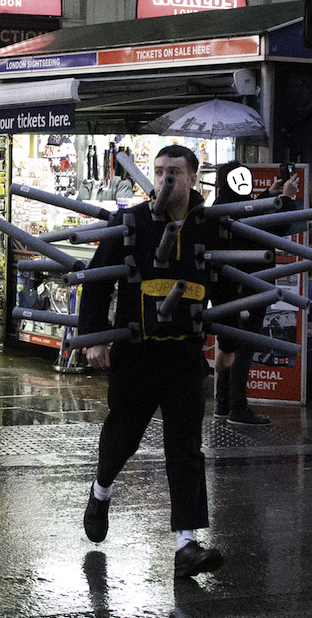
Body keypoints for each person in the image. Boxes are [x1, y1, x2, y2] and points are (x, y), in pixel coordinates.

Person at [79, 144, 226, 579]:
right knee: (122, 437)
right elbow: (96, 281)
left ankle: (186, 544)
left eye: (174, 172)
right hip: (136, 354)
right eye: (158, 171)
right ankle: (101, 490)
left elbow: (232, 282)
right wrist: (94, 338)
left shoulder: (210, 226)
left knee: (184, 448)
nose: (164, 179)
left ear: (193, 178)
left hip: (184, 355)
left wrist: (233, 340)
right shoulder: (131, 223)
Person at [210, 162, 300, 427]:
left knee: (230, 340)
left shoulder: (221, 204)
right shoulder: (237, 208)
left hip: (228, 285)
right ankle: (238, 407)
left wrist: (267, 196)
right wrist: (288, 197)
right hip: (250, 284)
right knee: (244, 343)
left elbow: (247, 217)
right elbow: (278, 227)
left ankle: (223, 403)